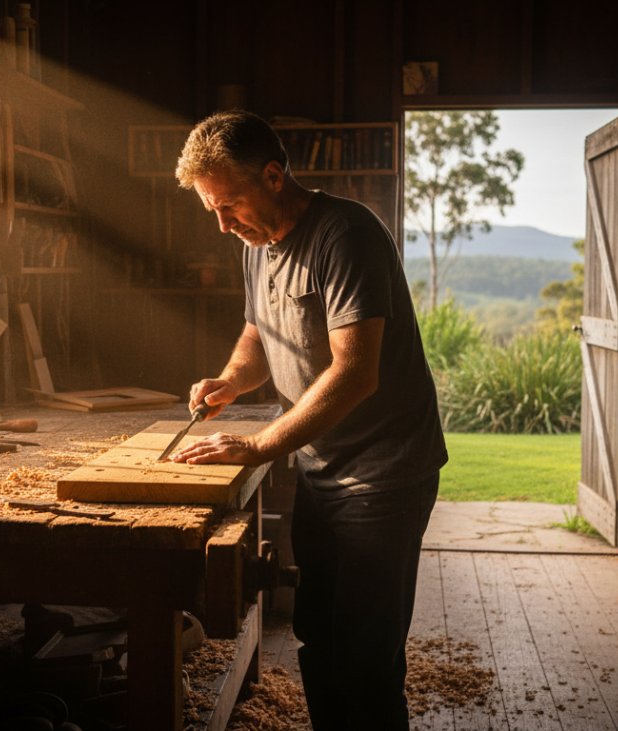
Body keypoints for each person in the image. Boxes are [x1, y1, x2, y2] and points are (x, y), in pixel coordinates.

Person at [169, 110, 447, 730]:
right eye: (212, 209)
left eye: (230, 203)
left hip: (385, 475)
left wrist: (257, 445)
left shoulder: (345, 235)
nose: (221, 223)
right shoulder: (258, 242)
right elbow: (258, 333)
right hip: (325, 471)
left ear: (273, 176)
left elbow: (356, 373)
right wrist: (228, 381)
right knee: (318, 638)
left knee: (367, 660)